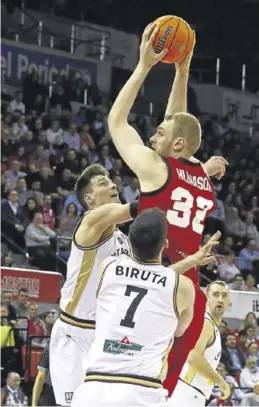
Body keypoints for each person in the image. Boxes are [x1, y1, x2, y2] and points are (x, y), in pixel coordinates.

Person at [107, 23, 228, 396]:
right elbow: (180, 127)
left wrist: (143, 66)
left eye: (158, 132)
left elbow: (116, 122)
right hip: (187, 284)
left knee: (126, 371)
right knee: (163, 383)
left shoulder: (156, 167)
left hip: (153, 273)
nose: (151, 135)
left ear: (174, 144)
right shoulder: (201, 178)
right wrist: (182, 70)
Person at [72, 209, 219, 406]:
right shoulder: (182, 287)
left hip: (91, 389)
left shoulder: (108, 267)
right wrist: (192, 261)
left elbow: (144, 279)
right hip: (141, 391)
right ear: (165, 244)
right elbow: (179, 331)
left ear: (130, 241)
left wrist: (190, 260)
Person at [50, 164, 135, 406]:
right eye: (102, 183)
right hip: (75, 333)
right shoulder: (90, 222)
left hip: (106, 335)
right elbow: (146, 206)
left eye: (110, 181)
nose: (112, 185)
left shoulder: (124, 240)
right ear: (89, 199)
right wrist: (195, 173)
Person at [168, 281, 230, 406]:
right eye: (216, 294)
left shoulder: (211, 326)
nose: (220, 299)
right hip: (187, 392)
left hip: (192, 393)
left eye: (224, 296)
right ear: (206, 297)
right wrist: (221, 381)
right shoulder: (205, 323)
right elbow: (192, 356)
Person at [32, 341, 56, 407]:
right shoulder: (50, 346)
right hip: (51, 391)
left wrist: (34, 404)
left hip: (71, 388)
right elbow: (41, 376)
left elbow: (41, 376)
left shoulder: (50, 345)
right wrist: (34, 404)